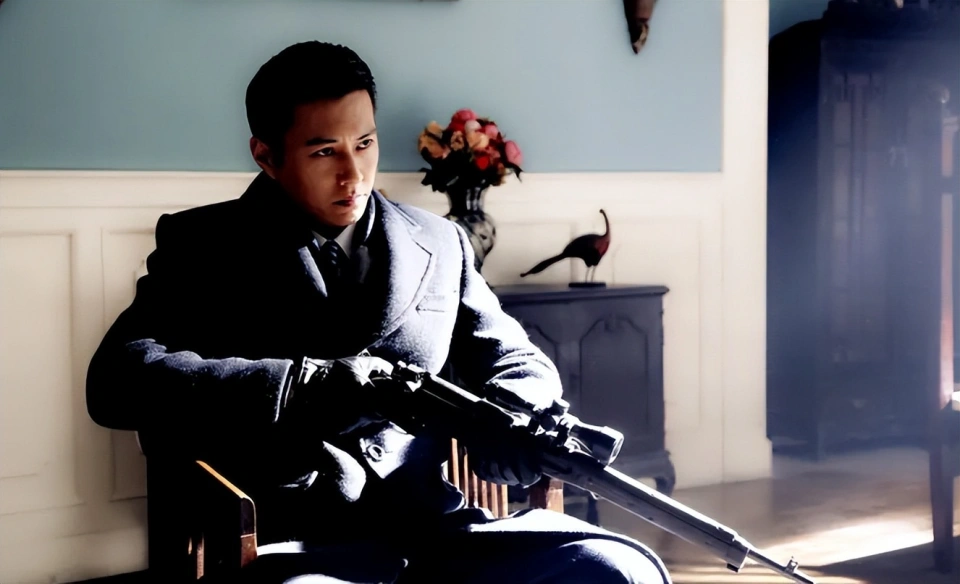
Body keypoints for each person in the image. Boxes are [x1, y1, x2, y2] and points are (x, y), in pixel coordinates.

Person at [85, 40, 670, 584]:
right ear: (266, 155)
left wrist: (518, 412)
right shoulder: (203, 244)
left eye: (365, 144)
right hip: (297, 541)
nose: (354, 174)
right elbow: (115, 380)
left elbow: (514, 355)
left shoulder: (440, 241)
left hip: (438, 530)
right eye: (324, 151)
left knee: (618, 569)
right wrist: (300, 388)